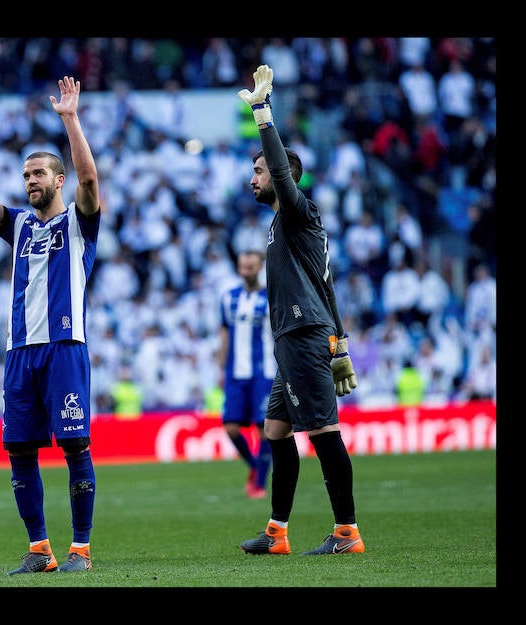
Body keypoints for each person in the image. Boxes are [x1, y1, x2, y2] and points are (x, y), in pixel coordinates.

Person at [0, 76, 100, 574]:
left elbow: (89, 181)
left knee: (74, 445)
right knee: (19, 450)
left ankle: (80, 549)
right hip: (20, 351)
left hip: (64, 346)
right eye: (26, 175)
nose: (30, 181)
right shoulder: (18, 224)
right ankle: (40, 549)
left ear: (58, 180)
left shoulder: (79, 223)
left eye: (39, 173)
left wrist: (71, 120)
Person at [236, 65, 364, 556]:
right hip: (300, 334)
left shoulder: (297, 211)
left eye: (259, 171)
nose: (253, 179)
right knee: (275, 430)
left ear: (282, 177)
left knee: (324, 432)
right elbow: (325, 283)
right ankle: (277, 533)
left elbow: (279, 170)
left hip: (303, 334)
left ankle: (347, 532)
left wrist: (262, 113)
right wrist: (341, 340)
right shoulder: (284, 225)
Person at [217, 250, 275, 499]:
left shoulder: (271, 297)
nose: (246, 271)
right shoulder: (228, 297)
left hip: (264, 372)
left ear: (260, 267)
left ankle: (259, 485)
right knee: (230, 428)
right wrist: (221, 368)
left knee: (264, 429)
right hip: (235, 373)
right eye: (242, 267)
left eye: (250, 267)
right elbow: (224, 333)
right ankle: (255, 466)